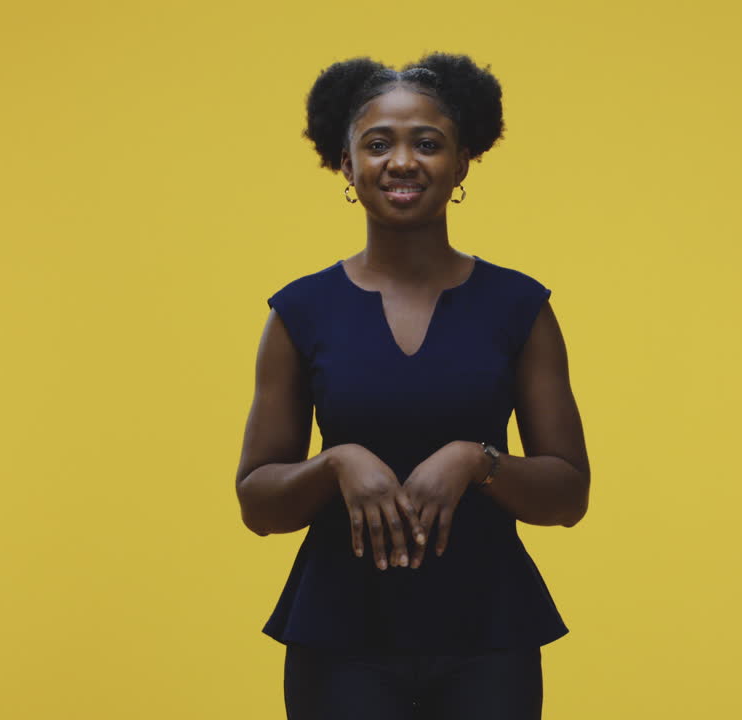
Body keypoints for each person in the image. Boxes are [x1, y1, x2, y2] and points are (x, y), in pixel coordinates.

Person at [234, 52, 591, 720]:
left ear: (461, 164)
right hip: (340, 641)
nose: (403, 162)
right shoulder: (299, 313)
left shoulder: (519, 307)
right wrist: (336, 463)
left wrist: (476, 462)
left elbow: (568, 494)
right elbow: (259, 503)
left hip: (488, 639)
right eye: (378, 144)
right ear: (346, 165)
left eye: (427, 144)